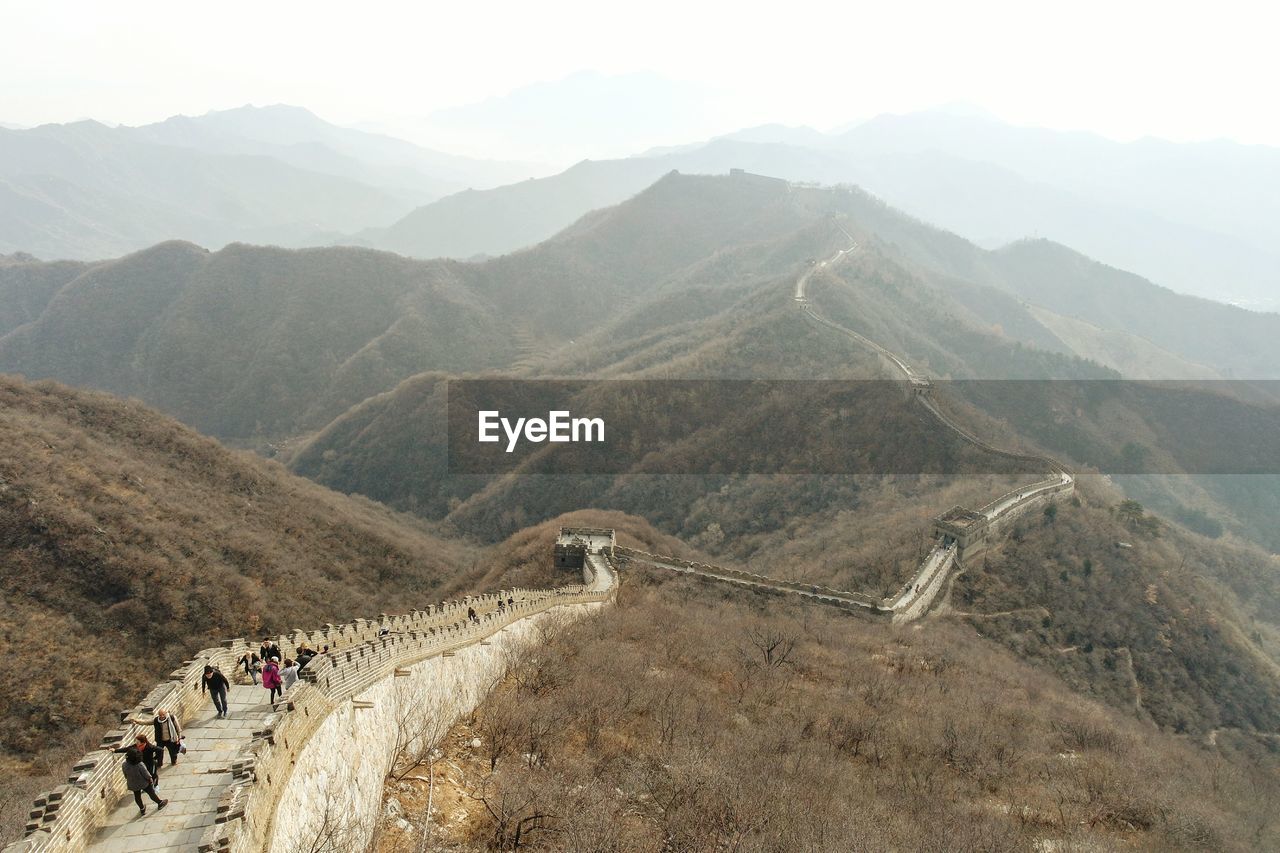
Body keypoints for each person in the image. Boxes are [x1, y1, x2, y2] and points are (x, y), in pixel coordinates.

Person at [122, 747, 167, 815]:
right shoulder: (139, 764)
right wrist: (150, 779)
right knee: (151, 793)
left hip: (132, 783)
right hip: (144, 783)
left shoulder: (124, 764)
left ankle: (142, 809)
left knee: (137, 796)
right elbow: (146, 773)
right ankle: (160, 803)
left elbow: (125, 774)